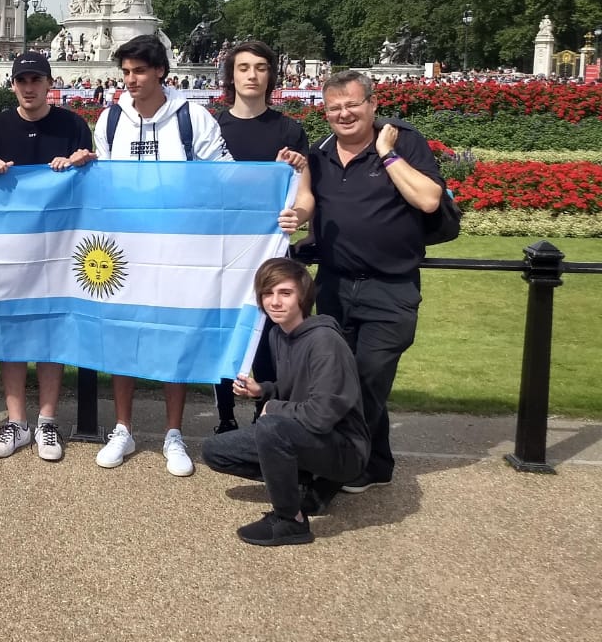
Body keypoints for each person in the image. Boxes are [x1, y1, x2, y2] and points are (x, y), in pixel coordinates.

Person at [90, 34, 232, 477]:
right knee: (123, 337)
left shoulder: (193, 117)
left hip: (178, 244)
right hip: (125, 247)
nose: (131, 80)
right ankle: (123, 428)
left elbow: (223, 174)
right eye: (126, 72)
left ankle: (174, 433)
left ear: (160, 72)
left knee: (175, 335)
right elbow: (102, 180)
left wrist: (276, 179)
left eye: (139, 71)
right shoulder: (111, 119)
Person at [308, 70, 443, 493]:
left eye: (352, 104)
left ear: (372, 104)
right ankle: (375, 463)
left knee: (367, 378)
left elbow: (428, 199)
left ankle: (335, 470)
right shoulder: (320, 154)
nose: (344, 114)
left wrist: (387, 154)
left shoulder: (404, 142)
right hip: (335, 285)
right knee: (340, 377)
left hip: (390, 287)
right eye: (334, 108)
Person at [0, 52, 94, 462]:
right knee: (13, 331)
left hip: (58, 247)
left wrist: (78, 165)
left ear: (49, 83)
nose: (28, 87)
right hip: (9, 246)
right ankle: (17, 421)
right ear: (12, 85)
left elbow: (92, 184)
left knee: (51, 330)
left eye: (35, 79)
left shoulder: (73, 126)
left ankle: (47, 420)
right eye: (21, 80)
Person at [201, 258, 369, 546]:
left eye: (285, 293)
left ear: (302, 297)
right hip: (305, 435)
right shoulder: (279, 334)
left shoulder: (325, 342)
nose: (275, 302)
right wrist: (262, 390)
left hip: (344, 447)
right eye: (268, 293)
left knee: (271, 428)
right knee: (214, 451)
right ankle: (308, 483)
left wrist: (273, 407)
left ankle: (291, 521)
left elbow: (321, 414)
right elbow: (293, 388)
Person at [211, 40, 314, 434]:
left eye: (260, 67)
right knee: (225, 333)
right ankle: (224, 418)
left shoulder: (289, 130)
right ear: (231, 76)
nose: (252, 75)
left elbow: (305, 196)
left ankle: (265, 415)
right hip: (225, 249)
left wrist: (296, 215)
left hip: (271, 251)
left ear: (270, 76)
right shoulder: (213, 128)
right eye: (243, 68)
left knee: (272, 334)